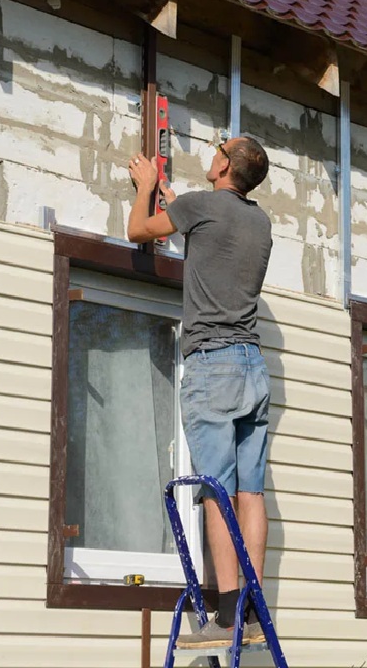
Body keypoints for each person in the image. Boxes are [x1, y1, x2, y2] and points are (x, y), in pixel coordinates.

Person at [126, 136, 273, 647]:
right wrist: (173, 196)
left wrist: (146, 188)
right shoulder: (259, 222)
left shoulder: (200, 207)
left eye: (220, 148)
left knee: (217, 492)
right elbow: (205, 229)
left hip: (212, 365)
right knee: (250, 492)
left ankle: (228, 615)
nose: (213, 152)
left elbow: (138, 229)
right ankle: (252, 609)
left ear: (225, 165)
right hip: (254, 368)